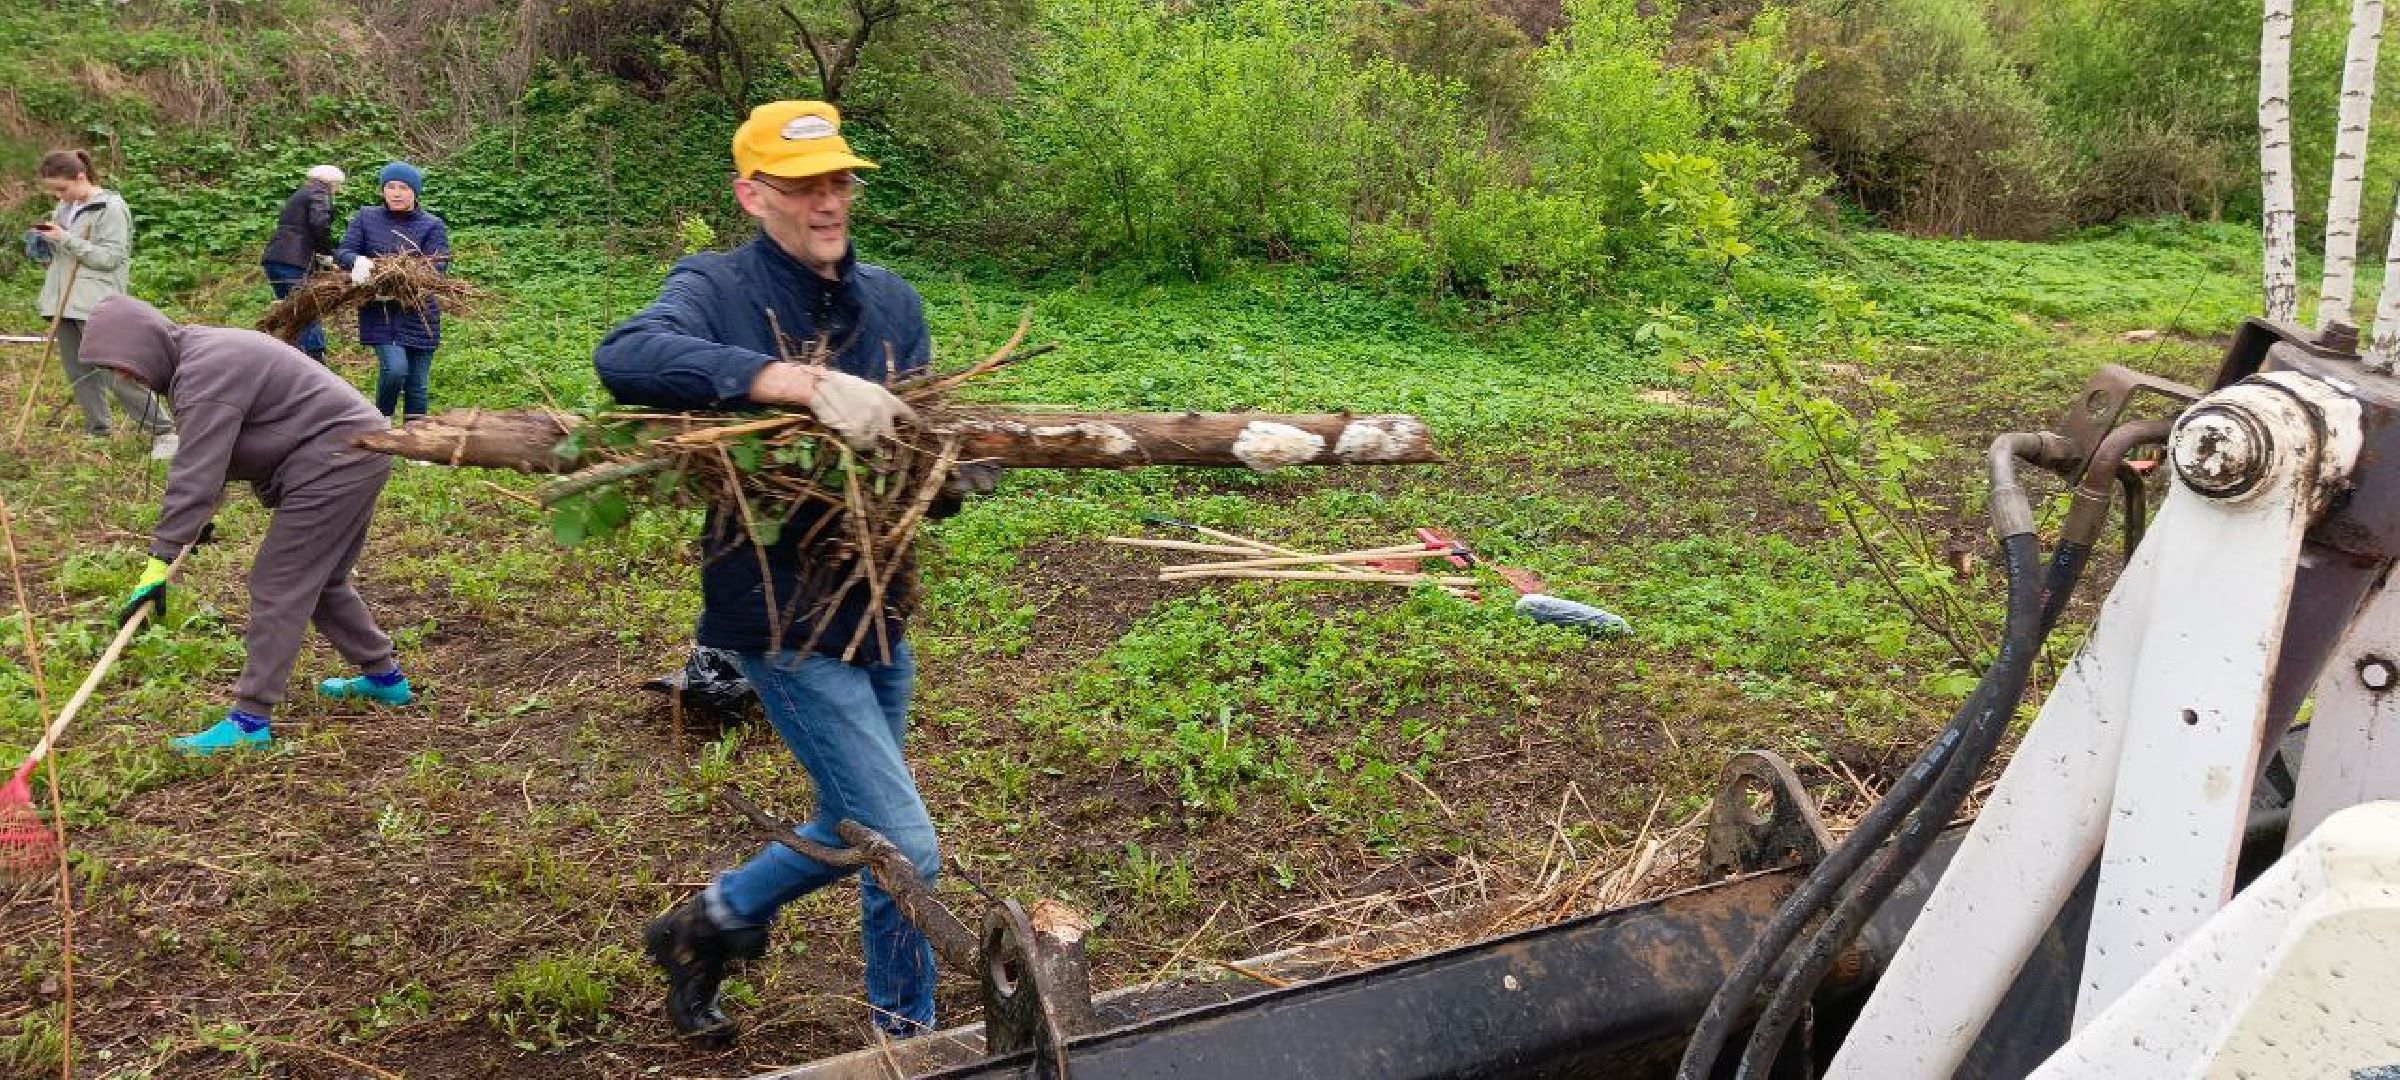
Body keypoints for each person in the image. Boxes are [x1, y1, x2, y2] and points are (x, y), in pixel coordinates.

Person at [594, 100, 957, 1045]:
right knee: (905, 845)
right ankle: (905, 1038)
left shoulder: (893, 303)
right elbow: (628, 356)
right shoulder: (715, 288)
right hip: (778, 613)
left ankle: (713, 929)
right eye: (802, 186)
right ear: (752, 194)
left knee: (861, 819)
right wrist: (792, 382)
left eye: (838, 180)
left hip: (879, 599)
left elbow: (923, 453)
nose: (828, 201)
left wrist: (948, 467)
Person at [77, 296, 417, 755]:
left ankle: (250, 720)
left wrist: (160, 559)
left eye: (122, 363)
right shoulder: (199, 358)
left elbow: (196, 471)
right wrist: (190, 531)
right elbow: (216, 459)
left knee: (278, 583)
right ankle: (385, 679)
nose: (122, 376)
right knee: (323, 581)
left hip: (338, 458)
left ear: (143, 344)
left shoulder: (204, 374)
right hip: (355, 451)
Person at [26, 149, 176, 458]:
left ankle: (164, 431)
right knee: (78, 371)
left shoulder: (110, 207)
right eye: (54, 191)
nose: (60, 196)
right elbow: (63, 257)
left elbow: (110, 258)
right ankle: (98, 430)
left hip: (96, 302)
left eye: (63, 189)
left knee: (113, 371)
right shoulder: (64, 208)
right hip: (62, 302)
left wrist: (65, 239)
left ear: (81, 177)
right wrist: (43, 243)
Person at [335, 162, 449, 421]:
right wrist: (358, 262)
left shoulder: (432, 225)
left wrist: (405, 282)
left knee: (417, 382)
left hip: (419, 312)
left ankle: (416, 439)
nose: (396, 193)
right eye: (390, 187)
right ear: (383, 190)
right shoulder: (366, 217)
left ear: (415, 192)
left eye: (404, 188)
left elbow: (437, 267)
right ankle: (381, 422)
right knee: (396, 370)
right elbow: (343, 252)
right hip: (380, 309)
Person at [261, 164, 346, 362]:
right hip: (294, 261)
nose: (338, 191)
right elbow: (319, 224)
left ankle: (294, 358)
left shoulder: (300, 193)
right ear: (332, 183)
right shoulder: (318, 192)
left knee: (292, 310)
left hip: (275, 258)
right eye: (338, 186)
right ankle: (315, 358)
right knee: (307, 308)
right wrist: (327, 254)